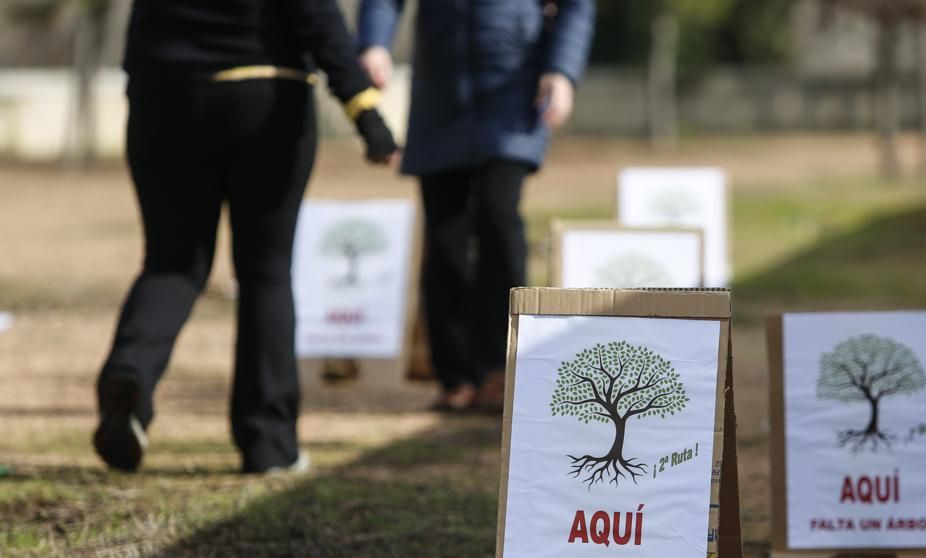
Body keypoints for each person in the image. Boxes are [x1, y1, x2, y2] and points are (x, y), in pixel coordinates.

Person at [93, 0, 399, 474]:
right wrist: (363, 107)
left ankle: (129, 376)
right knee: (266, 272)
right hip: (263, 93)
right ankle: (269, 445)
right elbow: (314, 13)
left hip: (164, 93)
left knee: (171, 262)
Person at [357, 0, 595, 412]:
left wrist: (562, 71)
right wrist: (374, 42)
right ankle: (454, 374)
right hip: (441, 97)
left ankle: (500, 368)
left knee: (498, 216)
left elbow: (577, 7)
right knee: (445, 234)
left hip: (513, 92)